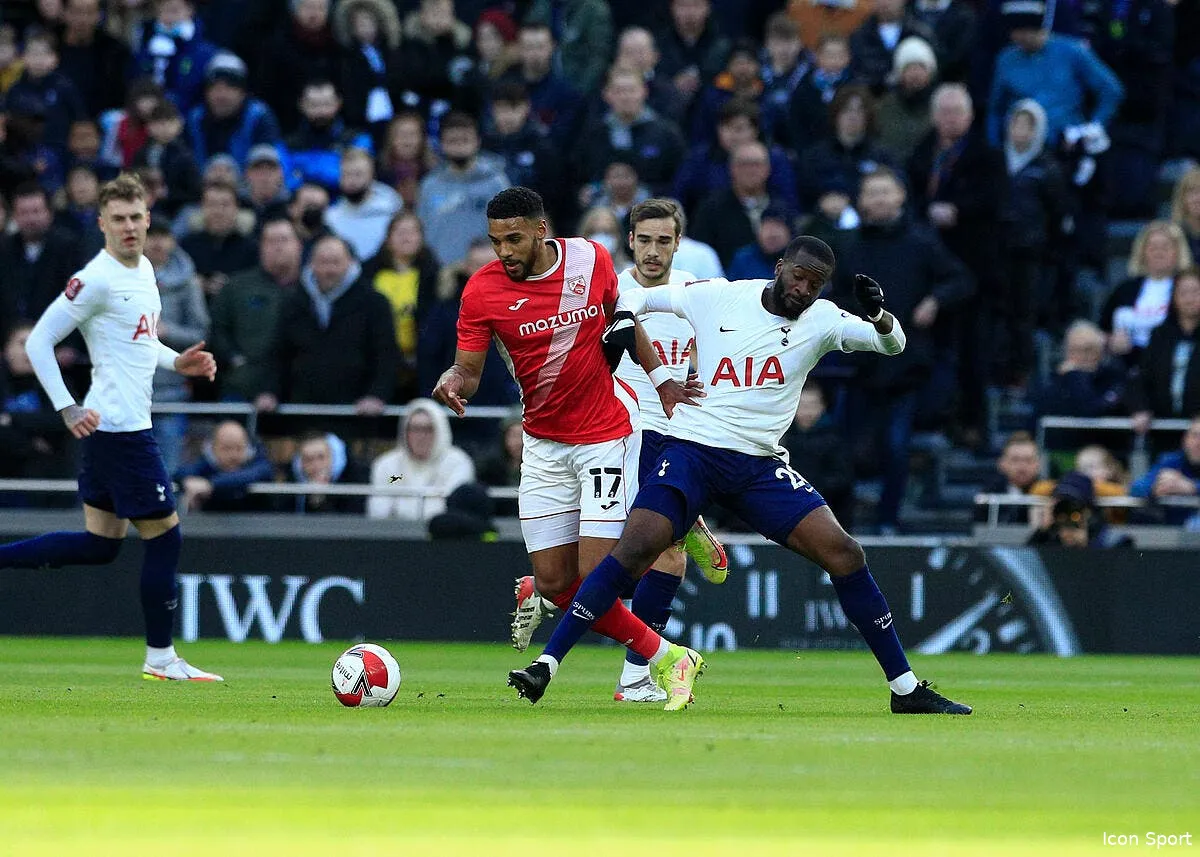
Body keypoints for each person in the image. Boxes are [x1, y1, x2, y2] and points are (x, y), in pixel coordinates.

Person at [508, 235, 972, 714]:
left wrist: (879, 315)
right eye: (798, 276)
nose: (803, 289)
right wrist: (625, 322)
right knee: (634, 550)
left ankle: (905, 690)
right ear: (779, 267)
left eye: (814, 283)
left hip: (758, 466)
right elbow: (636, 296)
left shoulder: (824, 319)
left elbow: (891, 345)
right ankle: (547, 665)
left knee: (845, 553)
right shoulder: (719, 296)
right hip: (692, 453)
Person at [431, 186, 701, 692]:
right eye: (495, 242)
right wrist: (452, 380)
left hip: (605, 433)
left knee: (599, 574)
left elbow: (626, 322)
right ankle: (665, 653)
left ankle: (658, 658)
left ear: (540, 230)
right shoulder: (482, 291)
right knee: (560, 582)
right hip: (543, 444)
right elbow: (468, 370)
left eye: (513, 239)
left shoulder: (589, 259)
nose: (504, 252)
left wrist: (663, 381)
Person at [0, 172, 222, 681]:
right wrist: (66, 407)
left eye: (135, 217)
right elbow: (38, 341)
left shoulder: (144, 269)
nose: (128, 227)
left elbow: (138, 344)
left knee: (100, 545)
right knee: (165, 538)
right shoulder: (94, 278)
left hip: (116, 431)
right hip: (119, 431)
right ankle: (161, 658)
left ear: (147, 219)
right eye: (117, 219)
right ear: (101, 223)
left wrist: (175, 363)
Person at [607, 198, 728, 703]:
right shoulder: (612, 291)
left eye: (664, 241)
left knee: (663, 561)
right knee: (646, 560)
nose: (653, 251)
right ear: (629, 240)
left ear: (679, 243)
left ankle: (635, 677)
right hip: (622, 434)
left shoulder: (696, 295)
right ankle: (635, 677)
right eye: (644, 239)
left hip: (679, 438)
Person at [367, 398, 475, 521]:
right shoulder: (387, 465)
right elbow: (379, 512)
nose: (421, 436)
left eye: (428, 429)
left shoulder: (458, 462)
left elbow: (451, 511)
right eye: (415, 429)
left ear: (441, 430)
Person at [1129, 268, 1200, 430]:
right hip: (1162, 428)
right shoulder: (1160, 335)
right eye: (1183, 293)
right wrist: (1140, 408)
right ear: (1174, 297)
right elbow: (1142, 377)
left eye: (1196, 292)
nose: (1189, 299)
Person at [175, 419, 274, 512]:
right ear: (212, 449)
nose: (233, 455)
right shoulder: (206, 462)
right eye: (226, 448)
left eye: (239, 448)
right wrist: (187, 480)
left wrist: (210, 485)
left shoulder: (260, 462)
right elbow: (181, 472)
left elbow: (251, 475)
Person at [1027, 471, 1133, 548]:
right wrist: (1042, 531)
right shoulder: (1050, 536)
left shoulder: (1114, 541)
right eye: (1062, 505)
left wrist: (1086, 545)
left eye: (1073, 505)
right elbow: (1026, 565)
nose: (1067, 512)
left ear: (1088, 511)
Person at [1130, 417, 1200, 527]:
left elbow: (1191, 487)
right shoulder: (1171, 460)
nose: (1198, 443)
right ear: (1185, 439)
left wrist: (1192, 487)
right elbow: (1136, 488)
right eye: (1195, 436)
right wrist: (1156, 486)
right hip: (1172, 532)